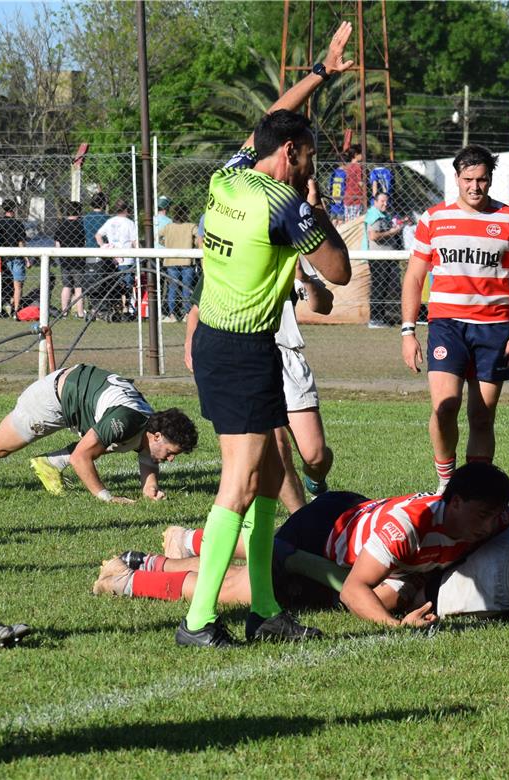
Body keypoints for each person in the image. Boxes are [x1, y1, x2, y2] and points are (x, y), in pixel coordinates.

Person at [178, 21, 354, 648]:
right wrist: (318, 208)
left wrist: (321, 73)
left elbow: (269, 121)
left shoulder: (229, 176)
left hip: (222, 343)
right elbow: (339, 271)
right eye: (308, 158)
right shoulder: (287, 206)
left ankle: (264, 609)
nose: (311, 167)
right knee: (239, 484)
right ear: (291, 156)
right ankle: (198, 620)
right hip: (244, 350)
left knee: (261, 485)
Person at [97, 463, 509, 630]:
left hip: (355, 522)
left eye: (494, 517)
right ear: (455, 502)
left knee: (385, 593)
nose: (489, 526)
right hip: (322, 531)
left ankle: (171, 548)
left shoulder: (487, 519)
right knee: (245, 588)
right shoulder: (406, 528)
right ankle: (129, 577)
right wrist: (393, 626)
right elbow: (354, 589)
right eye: (482, 515)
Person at [401, 144, 509, 494]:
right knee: (444, 408)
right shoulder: (433, 219)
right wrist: (408, 332)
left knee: (481, 416)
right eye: (468, 179)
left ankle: (476, 494)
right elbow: (414, 277)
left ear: (490, 179)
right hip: (447, 326)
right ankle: (446, 485)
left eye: (482, 180)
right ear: (457, 178)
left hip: (494, 329)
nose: (475, 187)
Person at [185, 256, 335, 514]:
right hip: (248, 357)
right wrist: (190, 343)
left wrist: (304, 279)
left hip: (286, 357)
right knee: (277, 450)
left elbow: (324, 305)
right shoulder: (234, 249)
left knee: (315, 455)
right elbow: (197, 309)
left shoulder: (291, 252)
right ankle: (302, 518)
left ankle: (317, 480)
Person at [0, 363, 198, 503]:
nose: (171, 459)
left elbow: (148, 456)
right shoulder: (126, 421)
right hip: (50, 399)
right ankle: (51, 463)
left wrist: (150, 488)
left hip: (70, 390)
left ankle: (50, 463)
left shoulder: (146, 424)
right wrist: (107, 497)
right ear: (157, 436)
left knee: (113, 442)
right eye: (170, 452)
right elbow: (80, 457)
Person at [365, 191, 405, 329]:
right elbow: (373, 236)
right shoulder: (374, 216)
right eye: (382, 201)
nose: (385, 204)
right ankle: (375, 319)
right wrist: (392, 232)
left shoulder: (384, 215)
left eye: (387, 201)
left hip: (386, 256)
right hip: (378, 257)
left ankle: (381, 317)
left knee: (384, 287)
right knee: (378, 286)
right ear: (375, 202)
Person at [95, 200, 139, 319]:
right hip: (127, 259)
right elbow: (135, 242)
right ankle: (126, 309)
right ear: (126, 210)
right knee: (127, 286)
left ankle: (119, 308)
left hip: (113, 259)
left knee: (116, 285)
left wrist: (104, 246)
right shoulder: (129, 223)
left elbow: (98, 236)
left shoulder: (110, 221)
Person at [158, 205, 199, 323]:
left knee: (172, 288)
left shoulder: (168, 227)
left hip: (171, 261)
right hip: (186, 261)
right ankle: (187, 313)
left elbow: (158, 237)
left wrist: (166, 243)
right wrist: (193, 243)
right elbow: (199, 238)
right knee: (187, 288)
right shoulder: (191, 226)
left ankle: (172, 315)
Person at [0, 198, 28, 318]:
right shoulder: (18, 224)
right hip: (16, 256)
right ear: (14, 209)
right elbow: (20, 242)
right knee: (18, 285)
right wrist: (27, 258)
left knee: (6, 283)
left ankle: (8, 304)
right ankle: (15, 310)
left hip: (3, 257)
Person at [52, 200, 87, 317]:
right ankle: (80, 312)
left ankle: (64, 311)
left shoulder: (61, 225)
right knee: (78, 287)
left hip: (65, 261)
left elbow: (57, 244)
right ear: (78, 212)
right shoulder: (81, 226)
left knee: (66, 286)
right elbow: (85, 242)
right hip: (78, 261)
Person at [342, 148, 367, 220]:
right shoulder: (358, 166)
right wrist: (365, 190)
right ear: (356, 155)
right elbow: (360, 183)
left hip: (347, 196)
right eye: (361, 154)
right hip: (357, 197)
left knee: (347, 219)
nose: (363, 156)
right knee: (356, 220)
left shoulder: (347, 166)